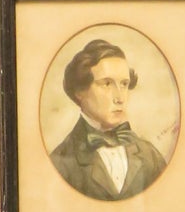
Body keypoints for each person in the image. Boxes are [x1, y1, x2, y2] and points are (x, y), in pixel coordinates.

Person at [49, 38, 168, 200]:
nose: (120, 98)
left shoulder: (150, 156)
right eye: (107, 84)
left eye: (124, 84)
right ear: (79, 91)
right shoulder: (59, 163)